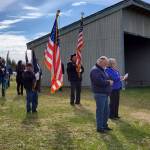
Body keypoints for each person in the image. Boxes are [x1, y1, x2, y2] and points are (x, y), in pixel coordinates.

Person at [90, 56, 113, 133]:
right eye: (105, 63)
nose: (106, 65)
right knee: (100, 111)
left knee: (106, 111)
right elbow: (98, 81)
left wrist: (109, 81)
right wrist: (108, 82)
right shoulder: (95, 70)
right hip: (100, 94)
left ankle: (104, 125)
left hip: (105, 93)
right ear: (100, 62)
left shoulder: (102, 70)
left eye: (106, 63)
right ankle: (100, 127)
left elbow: (105, 78)